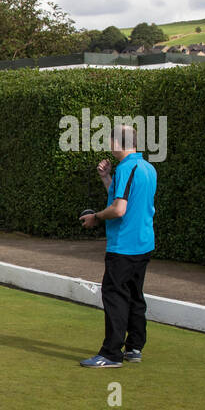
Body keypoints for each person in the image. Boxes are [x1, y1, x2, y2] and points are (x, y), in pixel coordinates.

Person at [79, 124, 158, 368]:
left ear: (116, 143)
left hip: (123, 245)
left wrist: (96, 217)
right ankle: (134, 347)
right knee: (135, 295)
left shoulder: (126, 168)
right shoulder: (148, 168)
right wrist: (106, 179)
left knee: (114, 296)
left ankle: (111, 353)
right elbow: (126, 199)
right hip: (143, 243)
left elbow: (119, 209)